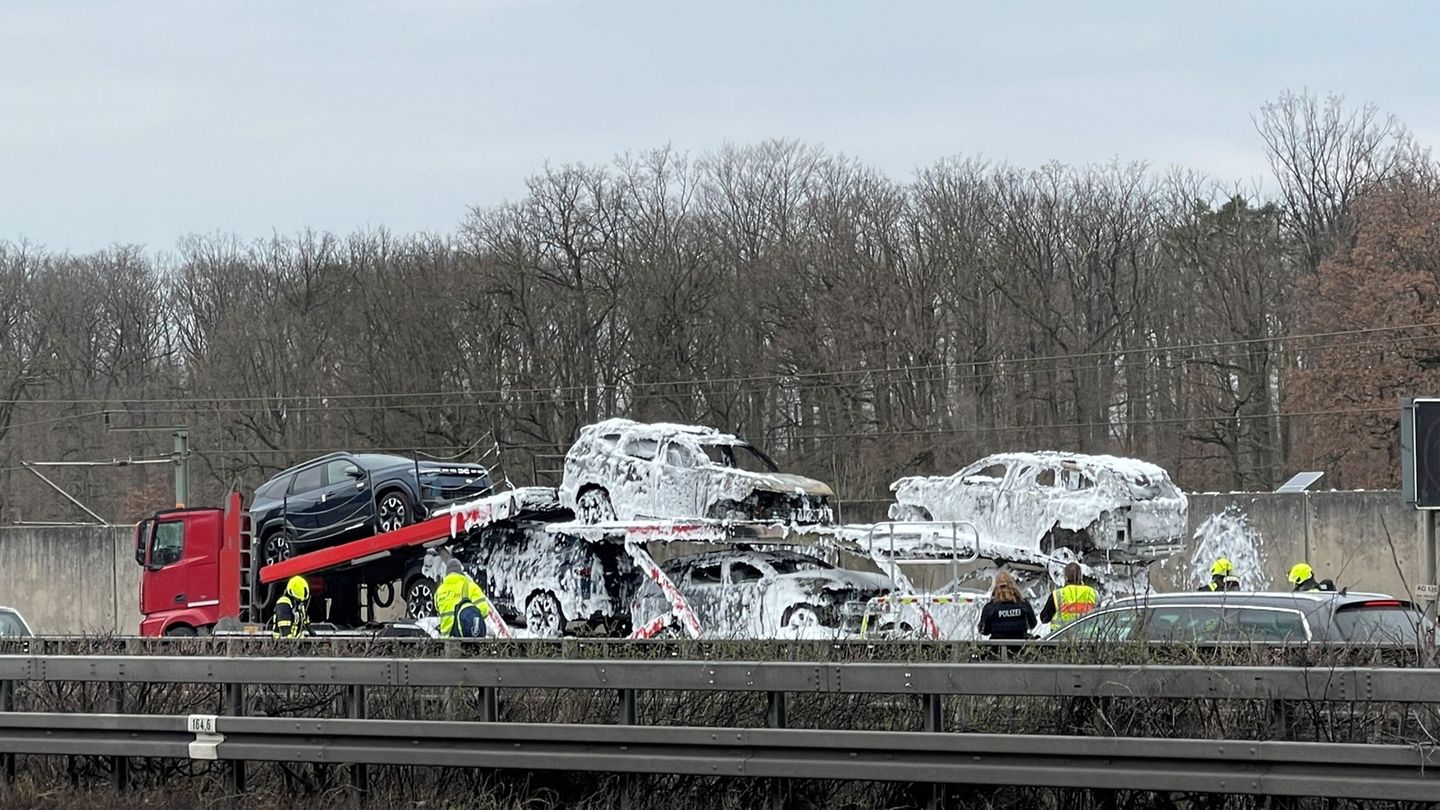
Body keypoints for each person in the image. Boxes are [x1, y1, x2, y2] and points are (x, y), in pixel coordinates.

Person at [435, 559, 492, 638]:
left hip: (446, 639)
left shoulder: (439, 591)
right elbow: (484, 610)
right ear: (460, 571)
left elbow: (438, 611)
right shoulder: (470, 587)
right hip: (466, 638)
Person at [978, 570, 1037, 640]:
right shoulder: (1023, 604)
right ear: (1012, 584)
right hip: (1020, 648)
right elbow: (1033, 624)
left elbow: (984, 631)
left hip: (996, 649)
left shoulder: (990, 607)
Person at [1039, 562, 1098, 631]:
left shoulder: (1058, 595)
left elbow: (1044, 618)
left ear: (1065, 578)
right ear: (1081, 577)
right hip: (1088, 639)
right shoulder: (1092, 593)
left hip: (1062, 639)